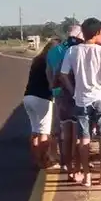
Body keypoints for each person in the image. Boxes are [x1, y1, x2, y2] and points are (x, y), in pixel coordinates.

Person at [59, 17, 101, 187]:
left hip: (81, 99)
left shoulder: (72, 51)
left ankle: (86, 177)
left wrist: (72, 90)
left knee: (83, 139)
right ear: (98, 32)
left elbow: (63, 75)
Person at [46, 25, 84, 181]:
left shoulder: (54, 51)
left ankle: (68, 168)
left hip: (60, 95)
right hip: (75, 95)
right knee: (79, 135)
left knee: (65, 134)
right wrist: (75, 91)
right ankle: (76, 169)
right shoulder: (76, 51)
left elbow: (52, 76)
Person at [23, 38, 61, 168]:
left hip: (28, 96)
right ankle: (45, 161)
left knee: (35, 130)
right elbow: (53, 82)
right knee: (44, 132)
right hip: (42, 98)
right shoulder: (51, 61)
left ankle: (36, 159)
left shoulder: (37, 60)